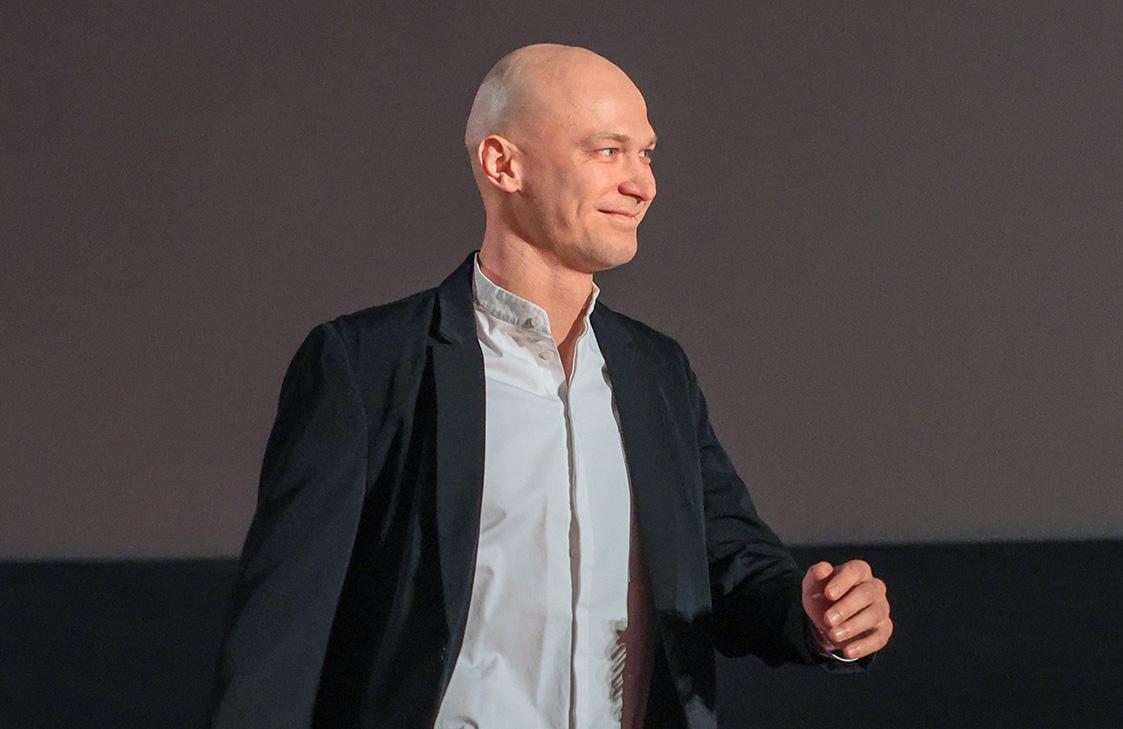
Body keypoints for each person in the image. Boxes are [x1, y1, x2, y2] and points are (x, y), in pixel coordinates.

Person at [206, 43, 892, 729]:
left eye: (646, 154)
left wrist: (817, 617)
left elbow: (732, 566)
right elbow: (277, 647)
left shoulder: (656, 372)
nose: (642, 185)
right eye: (608, 151)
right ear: (503, 164)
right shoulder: (367, 366)